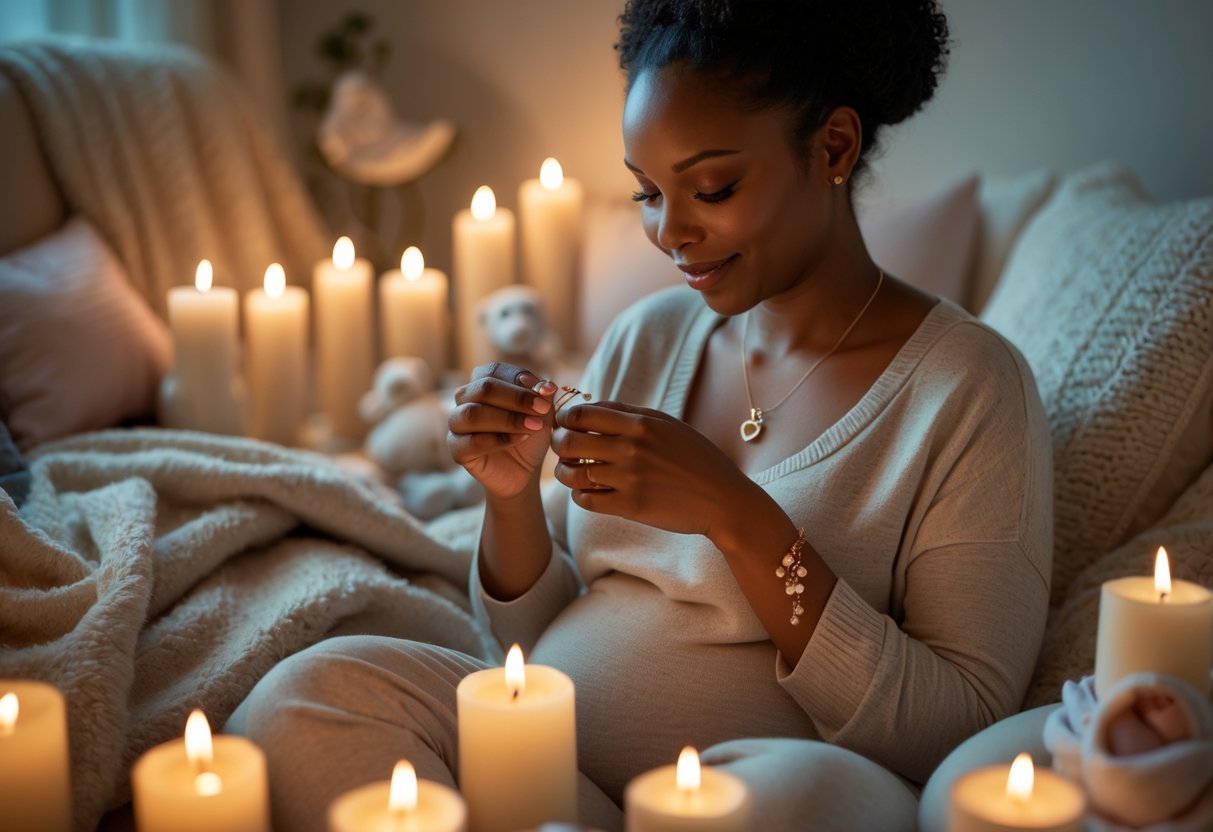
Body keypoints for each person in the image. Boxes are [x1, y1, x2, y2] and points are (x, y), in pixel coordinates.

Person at [229, 1, 1052, 829]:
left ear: (832, 146)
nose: (670, 232)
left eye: (711, 188)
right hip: (551, 766)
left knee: (797, 801)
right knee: (308, 698)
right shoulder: (649, 337)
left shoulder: (968, 386)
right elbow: (538, 628)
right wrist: (510, 498)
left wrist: (739, 519)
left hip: (763, 795)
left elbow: (963, 723)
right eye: (646, 192)